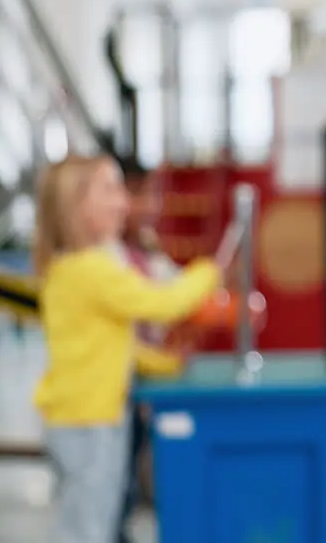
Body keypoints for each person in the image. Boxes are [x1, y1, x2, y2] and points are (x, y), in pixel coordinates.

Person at [33, 154, 221, 543]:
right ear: (75, 205)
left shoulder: (72, 269)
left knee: (95, 521)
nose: (123, 202)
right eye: (110, 190)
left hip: (88, 416)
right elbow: (162, 303)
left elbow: (113, 343)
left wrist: (161, 363)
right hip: (89, 422)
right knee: (86, 529)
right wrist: (207, 271)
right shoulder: (92, 271)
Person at [114, 156, 181, 543]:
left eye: (153, 195)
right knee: (114, 491)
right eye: (139, 195)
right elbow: (157, 302)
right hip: (118, 391)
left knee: (128, 483)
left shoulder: (147, 247)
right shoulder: (110, 259)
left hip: (139, 387)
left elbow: (172, 288)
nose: (150, 206)